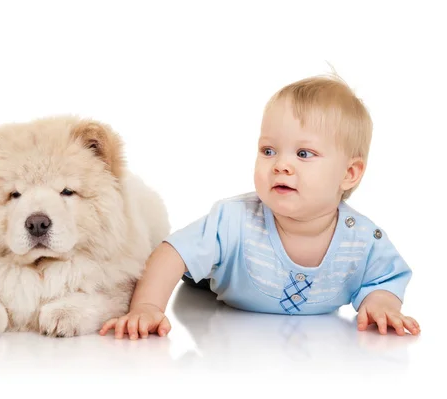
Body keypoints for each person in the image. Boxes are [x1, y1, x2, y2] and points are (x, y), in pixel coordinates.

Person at [99, 74, 420, 340]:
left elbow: (385, 278)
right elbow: (172, 252)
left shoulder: (362, 238)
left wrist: (381, 303)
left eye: (304, 154)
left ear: (349, 174)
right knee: (195, 267)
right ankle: (203, 272)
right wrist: (147, 307)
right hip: (218, 284)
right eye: (268, 150)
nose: (281, 165)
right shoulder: (233, 220)